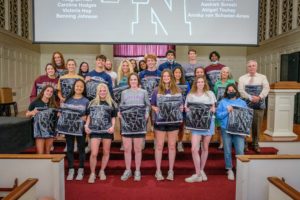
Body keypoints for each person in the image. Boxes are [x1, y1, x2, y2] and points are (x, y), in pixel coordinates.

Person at [151, 69, 183, 181]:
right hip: (160, 121)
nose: (166, 78)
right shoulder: (156, 90)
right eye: (164, 76)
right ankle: (158, 171)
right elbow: (152, 105)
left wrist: (181, 108)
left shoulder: (177, 89)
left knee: (172, 146)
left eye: (168, 76)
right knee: (159, 146)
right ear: (161, 78)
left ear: (171, 77)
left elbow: (181, 105)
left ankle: (170, 170)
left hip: (173, 122)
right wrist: (155, 109)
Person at [119, 73, 150, 181]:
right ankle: (128, 170)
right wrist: (119, 112)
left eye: (135, 79)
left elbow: (147, 105)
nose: (133, 81)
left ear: (138, 81)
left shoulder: (144, 92)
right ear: (129, 81)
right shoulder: (124, 92)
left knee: (137, 149)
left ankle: (137, 170)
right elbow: (121, 106)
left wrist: (146, 113)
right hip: (127, 124)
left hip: (139, 124)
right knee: (127, 149)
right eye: (131, 80)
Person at [185, 76, 216, 183]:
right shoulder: (190, 95)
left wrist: (213, 109)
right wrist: (187, 110)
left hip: (208, 122)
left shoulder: (210, 94)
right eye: (198, 82)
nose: (200, 83)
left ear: (205, 83)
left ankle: (201, 171)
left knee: (205, 147)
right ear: (195, 83)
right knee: (194, 149)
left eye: (202, 82)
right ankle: (198, 173)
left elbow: (213, 107)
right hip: (196, 124)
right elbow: (187, 108)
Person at [85, 83, 117, 183]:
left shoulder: (112, 103)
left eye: (104, 91)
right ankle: (92, 173)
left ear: (107, 91)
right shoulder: (92, 103)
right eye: (100, 91)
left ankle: (102, 171)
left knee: (106, 152)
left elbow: (113, 117)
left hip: (107, 131)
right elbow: (89, 117)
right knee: (94, 153)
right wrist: (86, 126)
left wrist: (112, 127)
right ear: (97, 92)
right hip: (94, 130)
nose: (102, 92)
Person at [216, 84, 248, 180]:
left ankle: (240, 169)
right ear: (226, 92)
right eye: (229, 90)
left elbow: (246, 117)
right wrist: (227, 111)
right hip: (226, 129)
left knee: (240, 150)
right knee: (227, 150)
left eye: (232, 90)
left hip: (238, 130)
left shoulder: (242, 102)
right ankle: (229, 169)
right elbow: (218, 116)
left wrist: (246, 130)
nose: (231, 92)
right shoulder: (222, 102)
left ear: (236, 91)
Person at [59, 79, 89, 181]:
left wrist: (86, 117)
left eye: (81, 86)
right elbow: (62, 112)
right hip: (69, 128)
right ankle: (71, 169)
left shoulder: (86, 101)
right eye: (77, 86)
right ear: (74, 87)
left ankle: (81, 169)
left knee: (81, 149)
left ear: (83, 88)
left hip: (80, 129)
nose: (79, 88)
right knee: (70, 149)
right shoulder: (67, 99)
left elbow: (89, 115)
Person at [238, 60, 270, 153]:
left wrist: (259, 97)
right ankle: (244, 144)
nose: (251, 68)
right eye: (249, 66)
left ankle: (255, 144)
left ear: (256, 67)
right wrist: (250, 97)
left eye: (253, 66)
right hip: (245, 105)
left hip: (259, 105)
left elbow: (266, 88)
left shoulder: (262, 77)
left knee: (257, 125)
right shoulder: (242, 78)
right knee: (245, 125)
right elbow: (241, 90)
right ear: (247, 67)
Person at [57, 59, 84, 153]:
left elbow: (83, 90)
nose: (71, 66)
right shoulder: (62, 77)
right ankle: (67, 144)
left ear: (75, 66)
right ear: (67, 66)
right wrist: (61, 98)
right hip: (66, 103)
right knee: (66, 123)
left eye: (73, 64)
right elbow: (59, 91)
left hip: (77, 102)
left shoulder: (80, 78)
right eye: (69, 64)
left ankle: (76, 144)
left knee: (75, 123)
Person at [26, 85, 57, 154]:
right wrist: (33, 112)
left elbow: (55, 118)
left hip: (50, 130)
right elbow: (27, 114)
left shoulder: (53, 104)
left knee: (48, 153)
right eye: (47, 91)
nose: (49, 93)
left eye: (51, 92)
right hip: (39, 130)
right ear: (43, 92)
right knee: (40, 153)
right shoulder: (35, 102)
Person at [213, 67, 236, 149]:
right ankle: (221, 143)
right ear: (221, 73)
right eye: (223, 72)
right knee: (219, 126)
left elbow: (234, 94)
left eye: (226, 72)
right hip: (219, 106)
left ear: (228, 74)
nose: (225, 74)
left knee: (228, 124)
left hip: (229, 106)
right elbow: (215, 95)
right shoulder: (217, 83)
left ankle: (228, 143)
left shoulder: (232, 82)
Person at [173, 66, 190, 152]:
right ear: (173, 74)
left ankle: (179, 143)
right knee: (173, 128)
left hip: (182, 109)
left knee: (181, 127)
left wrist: (185, 106)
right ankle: (172, 144)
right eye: (176, 72)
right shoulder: (170, 83)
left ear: (182, 74)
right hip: (172, 110)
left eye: (179, 72)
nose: (178, 74)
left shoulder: (186, 83)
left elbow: (188, 96)